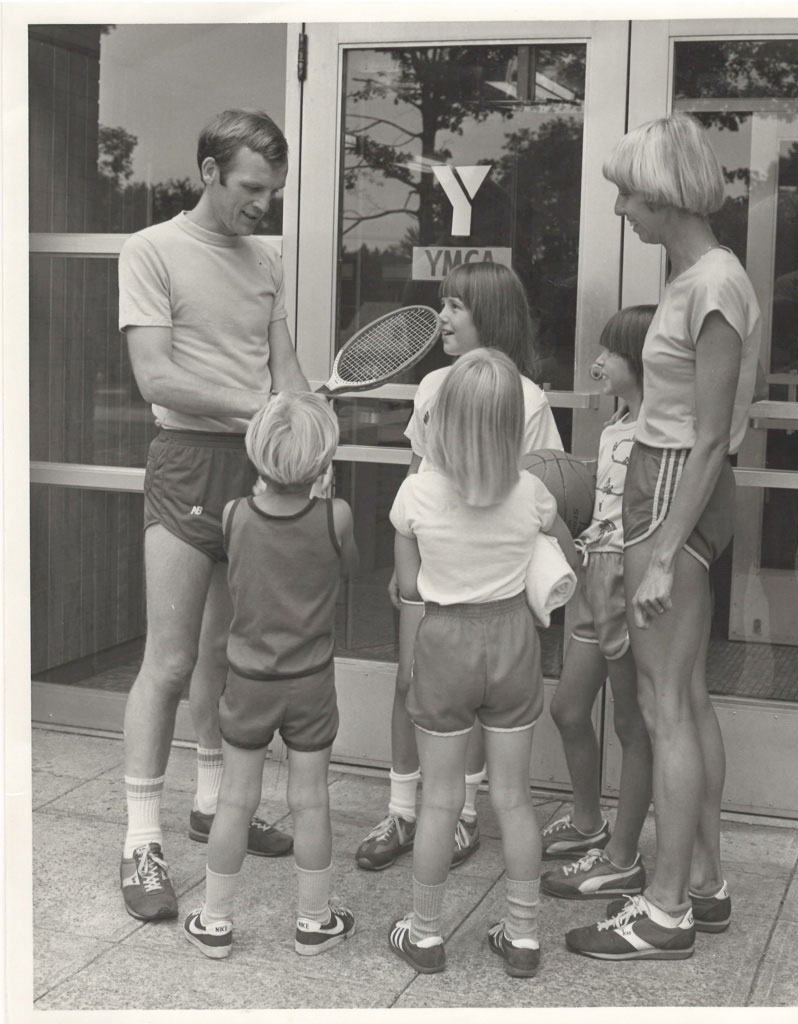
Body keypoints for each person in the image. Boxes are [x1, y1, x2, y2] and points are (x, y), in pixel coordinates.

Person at [565, 112, 761, 960]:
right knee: (685, 701)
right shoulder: (691, 279)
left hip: (676, 491)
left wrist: (659, 556)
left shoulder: (714, 281)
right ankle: (704, 885)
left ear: (664, 193)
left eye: (626, 193)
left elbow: (711, 436)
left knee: (663, 707)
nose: (619, 210)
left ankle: (667, 911)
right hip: (661, 485)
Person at [118, 109, 310, 921]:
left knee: (224, 658)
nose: (264, 204)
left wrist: (301, 421)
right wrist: (261, 407)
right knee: (167, 659)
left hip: (259, 469)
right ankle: (140, 842)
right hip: (188, 463)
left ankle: (207, 803)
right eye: (251, 188)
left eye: (274, 190)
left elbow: (284, 361)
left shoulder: (267, 256)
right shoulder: (151, 250)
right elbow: (156, 379)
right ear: (208, 173)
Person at [356, 262, 564, 873]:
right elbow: (420, 476)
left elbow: (539, 487)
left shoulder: (528, 398)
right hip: (431, 570)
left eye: (455, 306)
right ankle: (401, 809)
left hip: (485, 591)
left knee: (471, 698)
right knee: (410, 681)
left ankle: (462, 816)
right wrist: (406, 558)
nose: (440, 318)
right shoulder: (430, 386)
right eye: (441, 303)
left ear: (491, 316)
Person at [385, 348, 577, 977]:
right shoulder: (532, 492)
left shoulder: (415, 494)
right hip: (514, 642)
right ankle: (522, 938)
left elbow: (409, 586)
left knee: (440, 800)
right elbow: (563, 556)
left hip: (445, 644)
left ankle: (426, 933)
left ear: (441, 420)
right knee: (515, 800)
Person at [183, 391, 359, 959]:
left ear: (257, 457)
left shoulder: (234, 515)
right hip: (310, 682)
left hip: (248, 681)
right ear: (323, 463)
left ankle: (214, 922)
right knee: (310, 800)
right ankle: (314, 921)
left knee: (234, 800)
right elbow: (349, 566)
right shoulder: (337, 516)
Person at [540, 306, 655, 899]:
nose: (599, 360)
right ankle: (589, 821)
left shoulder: (657, 429)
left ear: (641, 360)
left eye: (610, 352)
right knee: (566, 708)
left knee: (633, 725)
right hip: (592, 573)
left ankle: (623, 856)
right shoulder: (618, 421)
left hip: (626, 578)